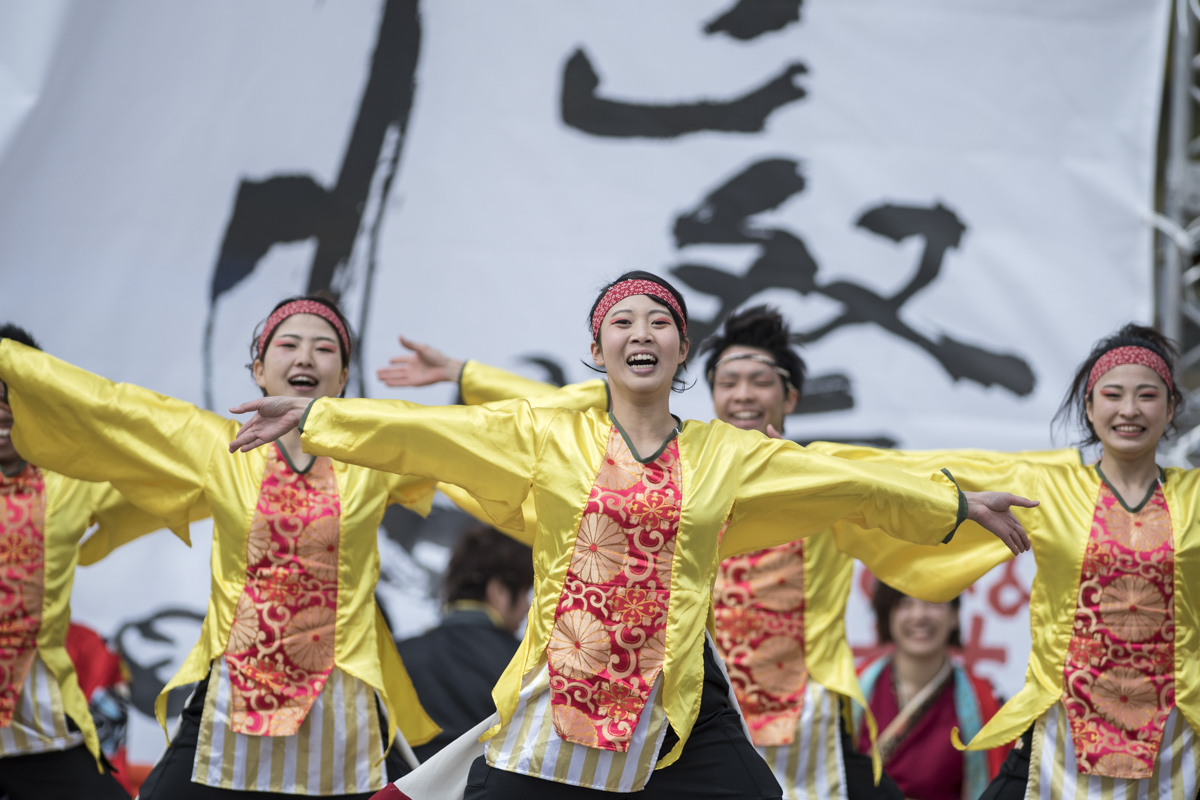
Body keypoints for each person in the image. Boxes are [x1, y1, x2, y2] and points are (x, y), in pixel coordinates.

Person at [229, 270, 1034, 799]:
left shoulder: (728, 453)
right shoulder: (549, 435)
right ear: (597, 349)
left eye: (660, 322)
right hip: (561, 695)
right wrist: (317, 416)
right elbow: (427, 437)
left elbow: (850, 483)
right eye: (623, 321)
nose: (641, 331)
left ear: (682, 350)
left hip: (674, 699)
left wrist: (953, 505)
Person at [809, 323, 1200, 799]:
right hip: (1063, 731)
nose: (1130, 410)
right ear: (1090, 407)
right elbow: (913, 474)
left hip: (1173, 734)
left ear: (1172, 407)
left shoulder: (1195, 498)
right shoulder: (1051, 487)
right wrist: (806, 464)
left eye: (1148, 396)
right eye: (1113, 394)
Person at [0, 323, 178, 800]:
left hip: (40, 737)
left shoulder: (73, 477)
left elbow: (171, 474)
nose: (3, 410)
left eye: (16, 393)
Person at [853, 584, 1007, 800]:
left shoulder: (985, 701)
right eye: (904, 604)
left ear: (954, 615)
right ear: (887, 614)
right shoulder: (850, 688)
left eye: (933, 601)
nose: (919, 615)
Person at [396, 526, 533, 763]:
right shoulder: (525, 666)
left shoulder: (396, 657)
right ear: (498, 591)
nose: (526, 607)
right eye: (524, 593)